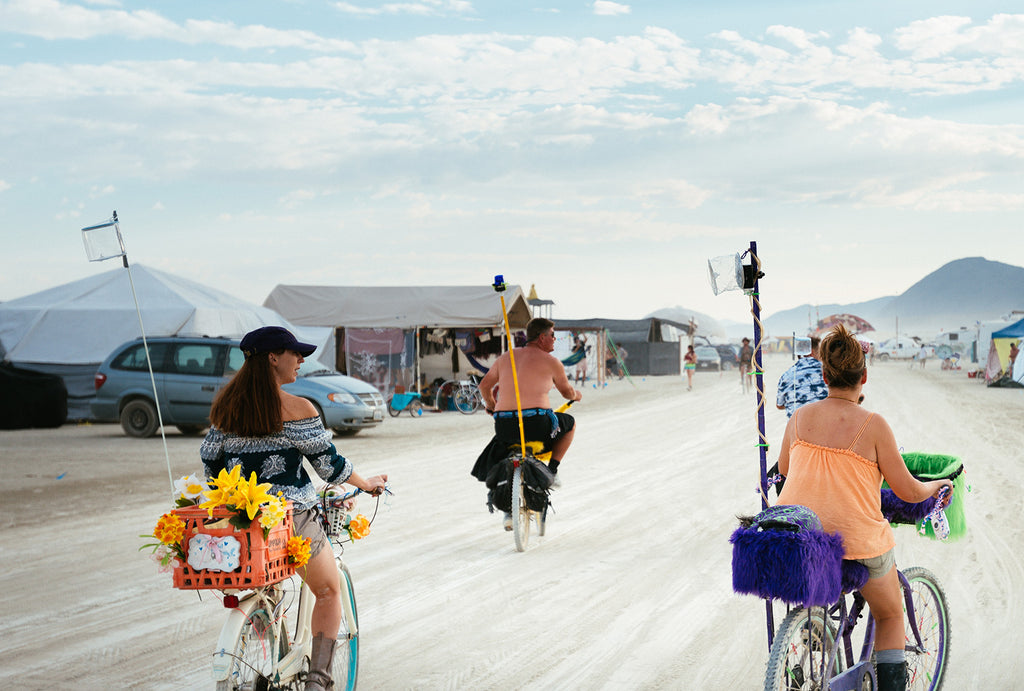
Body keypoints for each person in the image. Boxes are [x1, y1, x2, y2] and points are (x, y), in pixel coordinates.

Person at [200, 326, 388, 691]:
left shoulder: (226, 408)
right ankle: (318, 680)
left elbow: (211, 466)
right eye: (295, 353)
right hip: (291, 521)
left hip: (243, 520)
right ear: (273, 357)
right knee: (328, 591)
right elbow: (328, 466)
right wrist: (366, 483)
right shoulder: (297, 407)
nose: (301, 360)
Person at [775, 325, 952, 691]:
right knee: (889, 613)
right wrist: (936, 485)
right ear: (864, 376)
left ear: (824, 375)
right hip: (855, 543)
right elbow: (907, 490)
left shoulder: (800, 417)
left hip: (802, 539)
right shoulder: (874, 425)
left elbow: (786, 470)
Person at [472, 317, 582, 529]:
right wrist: (576, 395)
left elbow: (485, 386)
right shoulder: (552, 362)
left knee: (505, 448)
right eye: (552, 335)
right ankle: (553, 470)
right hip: (537, 423)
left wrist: (492, 406)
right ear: (542, 338)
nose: (554, 339)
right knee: (570, 424)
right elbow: (567, 391)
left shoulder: (507, 358)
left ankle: (507, 509)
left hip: (505, 424)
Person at [775, 336, 828, 417]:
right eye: (819, 352)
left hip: (795, 426)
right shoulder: (828, 371)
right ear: (812, 352)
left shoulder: (786, 376)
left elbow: (779, 405)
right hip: (823, 424)